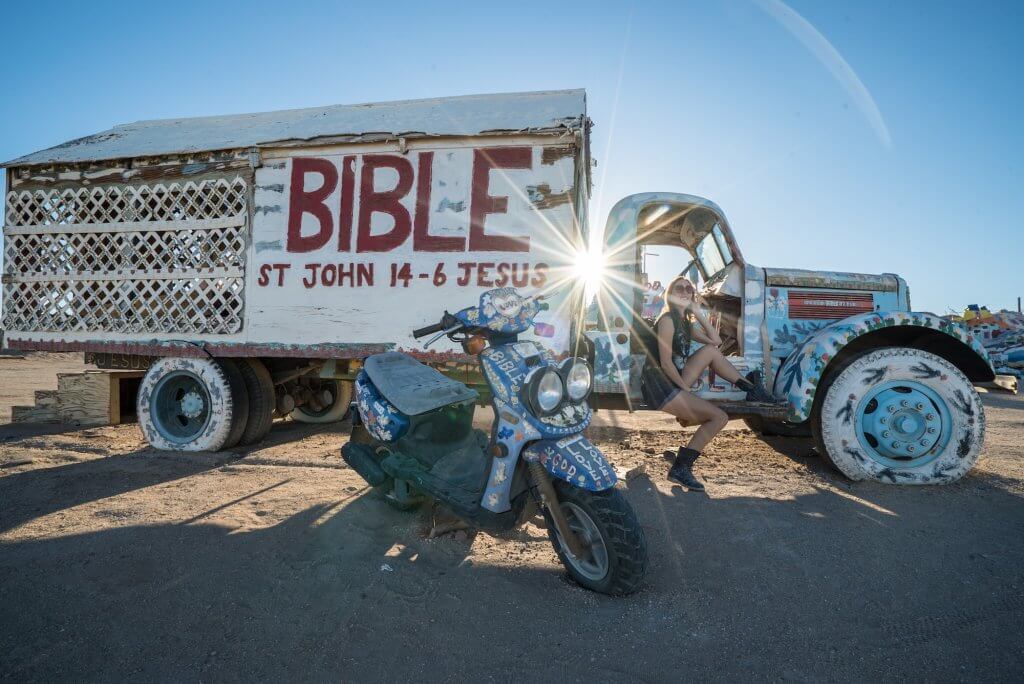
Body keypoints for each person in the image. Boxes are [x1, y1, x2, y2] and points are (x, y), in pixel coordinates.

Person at [640, 275, 777, 491]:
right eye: (679, 289)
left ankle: (750, 389)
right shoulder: (667, 320)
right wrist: (686, 390)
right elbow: (665, 364)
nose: (684, 292)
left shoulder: (684, 323)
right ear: (670, 294)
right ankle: (680, 468)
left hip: (674, 377)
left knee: (711, 352)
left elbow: (716, 341)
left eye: (688, 289)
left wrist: (696, 313)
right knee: (719, 417)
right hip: (660, 384)